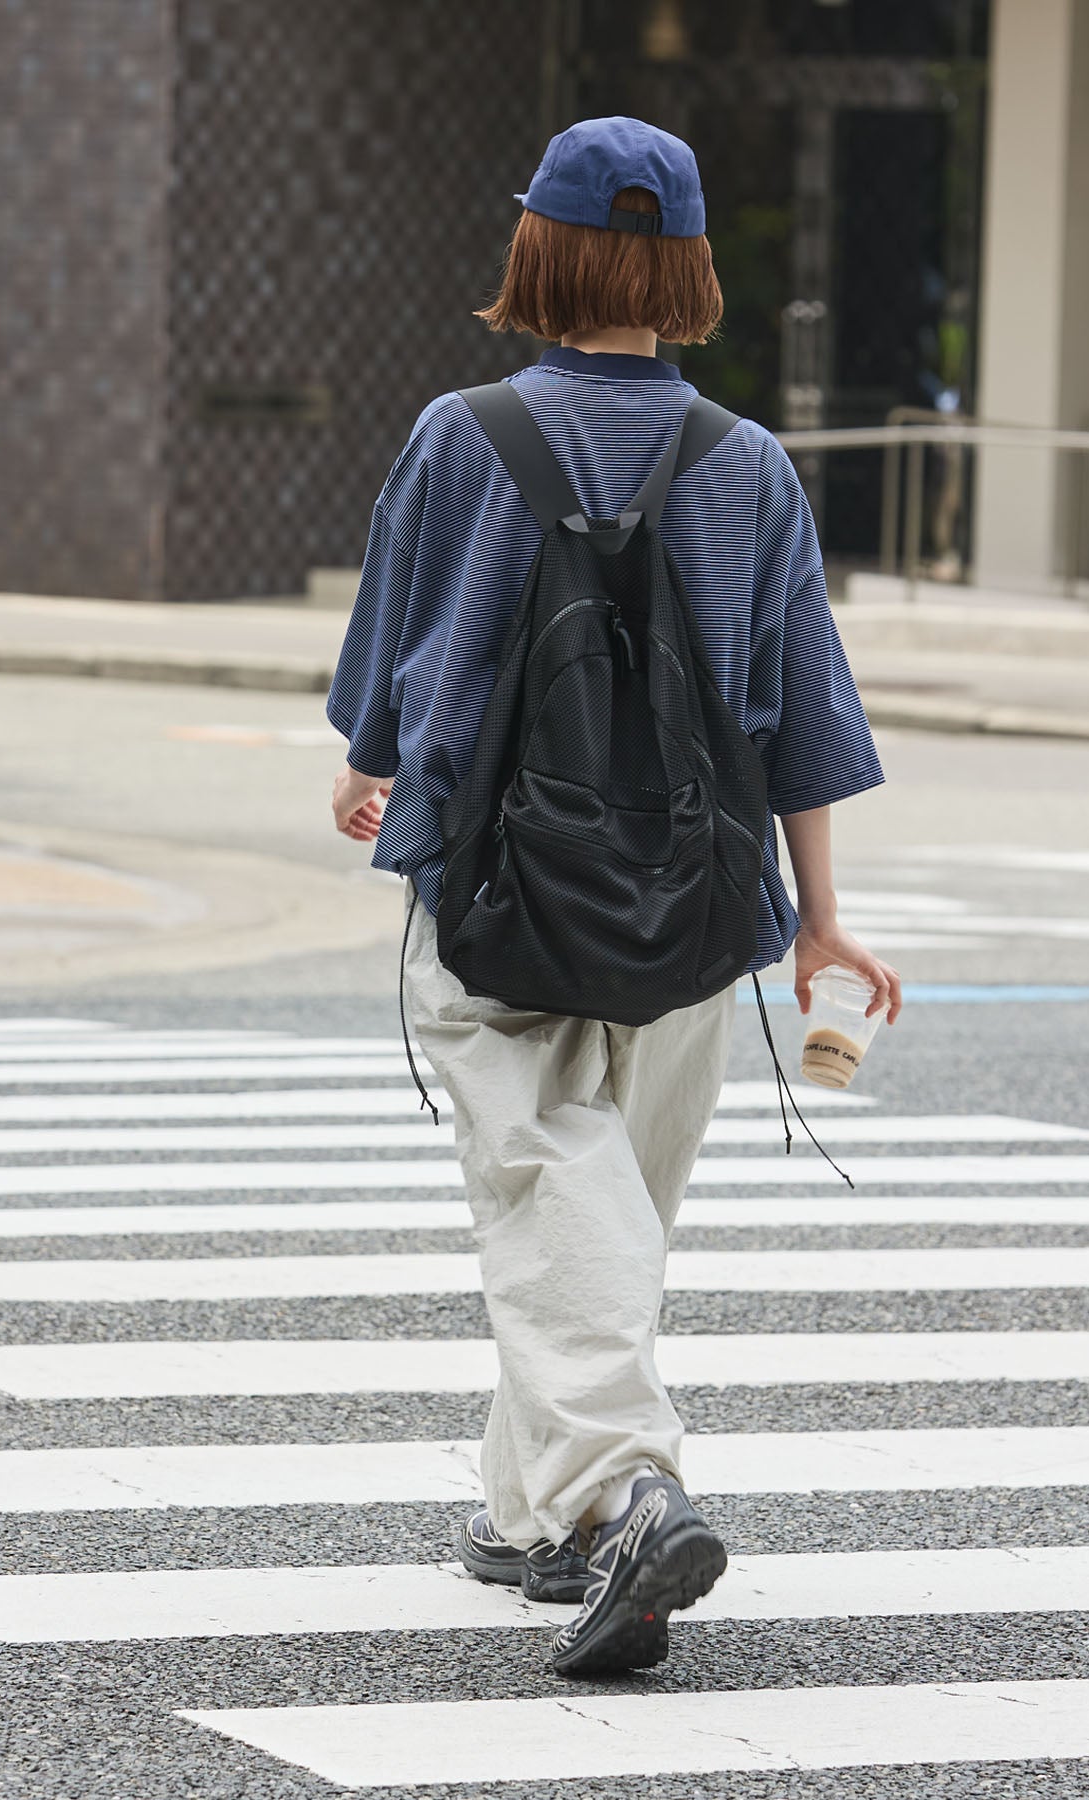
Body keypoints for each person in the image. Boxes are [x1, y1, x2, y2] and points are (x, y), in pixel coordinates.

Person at [328, 117, 898, 1678]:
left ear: (540, 248)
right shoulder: (750, 466)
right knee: (607, 1214)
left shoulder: (463, 437)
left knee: (548, 1186)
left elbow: (388, 665)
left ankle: (631, 1493)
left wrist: (369, 767)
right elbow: (799, 710)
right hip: (693, 913)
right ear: (689, 265)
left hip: (499, 893)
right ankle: (537, 1517)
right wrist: (818, 915)